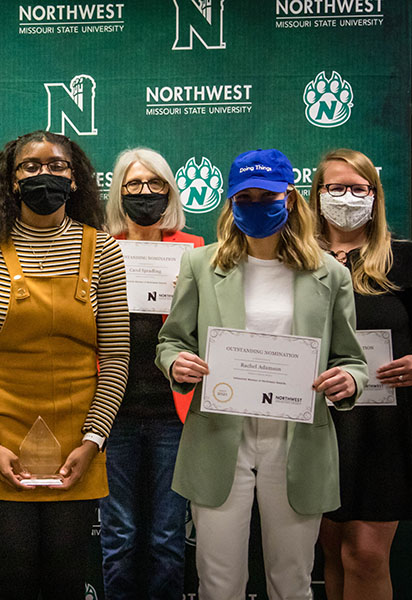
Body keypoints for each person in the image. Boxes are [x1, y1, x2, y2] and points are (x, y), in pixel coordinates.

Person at [155, 148, 368, 600]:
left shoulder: (330, 274)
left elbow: (352, 359)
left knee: (291, 582)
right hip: (219, 438)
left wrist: (350, 380)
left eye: (266, 195)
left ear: (289, 198)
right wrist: (177, 362)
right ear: (230, 202)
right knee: (218, 582)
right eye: (244, 197)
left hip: (298, 442)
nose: (255, 204)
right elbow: (171, 341)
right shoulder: (201, 265)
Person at [0, 130, 130, 599]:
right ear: (10, 182)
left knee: (67, 579)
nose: (43, 174)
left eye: (57, 167)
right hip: (0, 432)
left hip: (78, 438)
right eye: (29, 166)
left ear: (75, 180)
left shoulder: (104, 250)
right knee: (12, 578)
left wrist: (92, 442)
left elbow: (114, 360)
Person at [100, 147, 203, 599]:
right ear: (119, 193)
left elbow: (215, 331)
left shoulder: (194, 251)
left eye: (155, 184)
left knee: (166, 538)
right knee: (118, 538)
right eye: (134, 185)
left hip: (173, 413)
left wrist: (194, 297)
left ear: (170, 191)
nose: (145, 193)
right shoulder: (97, 249)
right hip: (112, 413)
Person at [308, 149, 412, 600]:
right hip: (319, 422)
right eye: (335, 188)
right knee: (332, 551)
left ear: (375, 195)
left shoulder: (404, 257)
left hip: (383, 428)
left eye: (359, 188)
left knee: (366, 554)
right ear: (317, 195)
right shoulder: (298, 262)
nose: (347, 197)